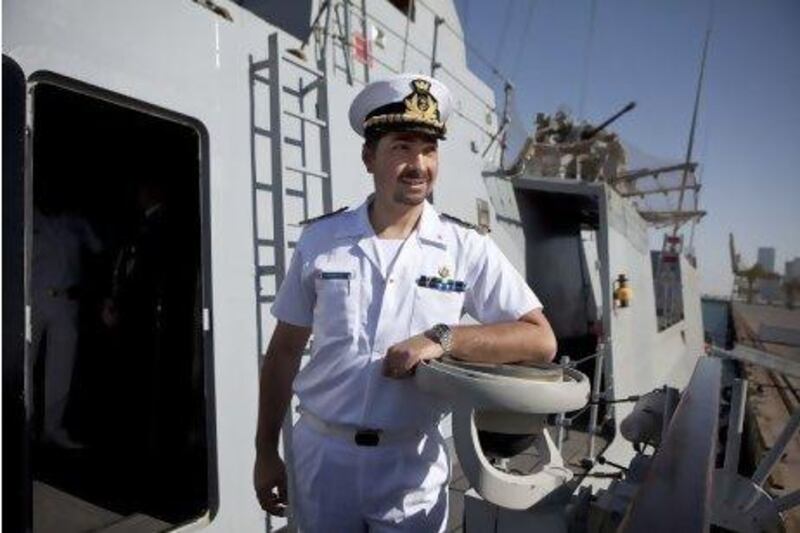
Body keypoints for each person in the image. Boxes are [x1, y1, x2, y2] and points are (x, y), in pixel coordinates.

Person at [253, 73, 557, 532]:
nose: (419, 165)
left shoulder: (465, 247)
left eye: (429, 149)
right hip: (322, 457)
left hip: (410, 465)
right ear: (368, 156)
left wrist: (442, 338)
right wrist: (263, 452)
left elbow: (540, 340)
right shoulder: (321, 240)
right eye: (402, 147)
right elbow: (283, 353)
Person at [31, 197, 103, 448]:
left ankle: (52, 429)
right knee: (24, 366)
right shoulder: (30, 217)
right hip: (33, 301)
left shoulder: (76, 222)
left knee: (60, 369)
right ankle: (20, 424)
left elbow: (98, 249)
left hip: (66, 301)